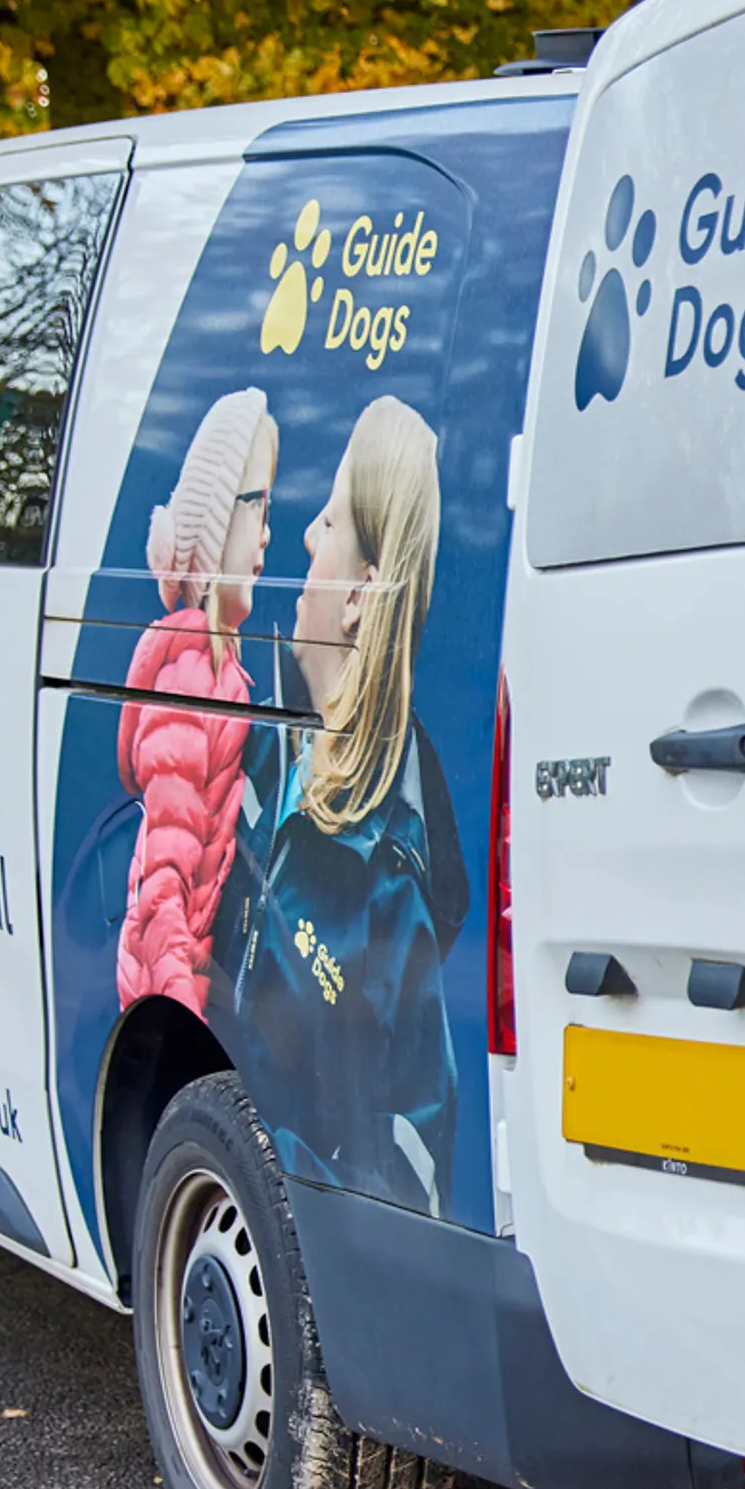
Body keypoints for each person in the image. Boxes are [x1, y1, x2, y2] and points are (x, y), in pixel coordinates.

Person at [219, 394, 465, 1218]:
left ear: (360, 594)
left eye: (325, 524)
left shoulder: (391, 872)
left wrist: (268, 1166)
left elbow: (412, 1173)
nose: (302, 540)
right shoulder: (266, 739)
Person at [117, 387, 275, 1014]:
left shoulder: (220, 670)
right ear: (216, 528)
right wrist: (185, 1015)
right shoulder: (190, 680)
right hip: (170, 986)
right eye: (257, 509)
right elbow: (163, 888)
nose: (268, 537)